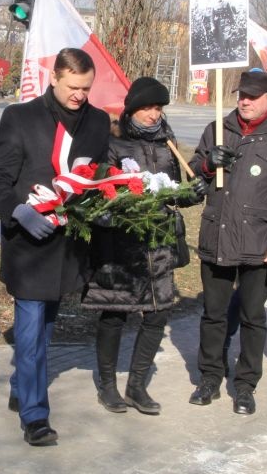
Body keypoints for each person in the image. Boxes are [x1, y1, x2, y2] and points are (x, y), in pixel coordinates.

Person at [0, 48, 109, 446]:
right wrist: (17, 212)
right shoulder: (20, 117)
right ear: (54, 78)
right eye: (73, 87)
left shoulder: (97, 122)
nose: (79, 96)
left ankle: (21, 385)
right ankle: (35, 416)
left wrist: (103, 206)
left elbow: (99, 176)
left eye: (86, 89)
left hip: (68, 246)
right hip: (30, 244)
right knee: (32, 330)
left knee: (45, 328)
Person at [188, 71, 267, 415]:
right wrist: (208, 165)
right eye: (242, 94)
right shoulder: (218, 128)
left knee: (252, 317)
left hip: (259, 242)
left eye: (253, 97)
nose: (244, 101)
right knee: (213, 315)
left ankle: (245, 385)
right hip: (217, 235)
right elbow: (192, 172)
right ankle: (210, 377)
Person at [81, 78, 205, 415]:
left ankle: (137, 386)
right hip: (120, 245)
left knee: (157, 314)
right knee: (114, 314)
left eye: (158, 108)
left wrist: (192, 194)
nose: (154, 114)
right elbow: (100, 190)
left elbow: (174, 192)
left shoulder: (167, 142)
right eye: (147, 108)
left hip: (158, 245)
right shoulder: (113, 142)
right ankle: (108, 385)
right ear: (132, 109)